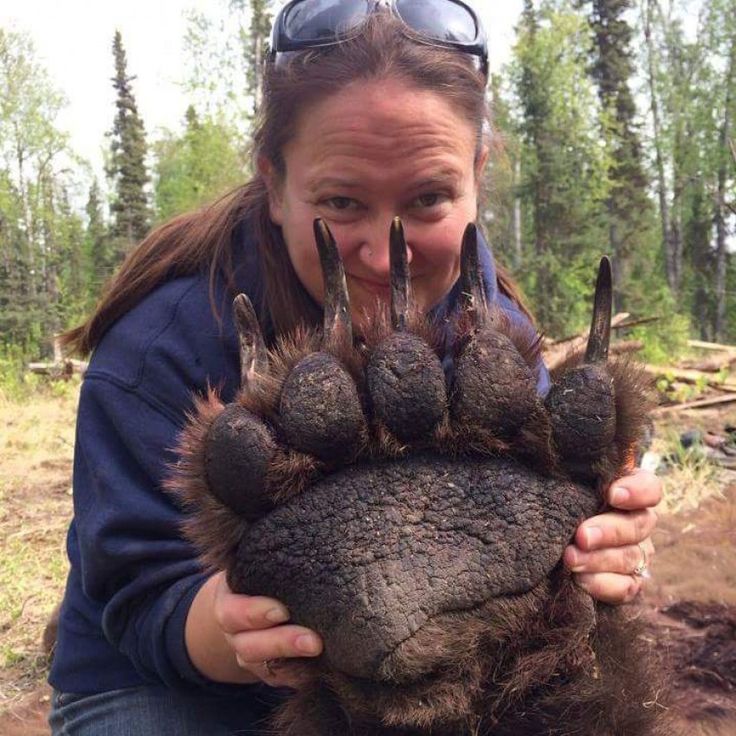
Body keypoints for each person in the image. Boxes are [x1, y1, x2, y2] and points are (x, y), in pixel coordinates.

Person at [49, 2, 662, 734]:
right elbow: (138, 597)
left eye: (429, 198)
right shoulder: (161, 348)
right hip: (168, 678)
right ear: (273, 184)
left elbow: (545, 549)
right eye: (341, 202)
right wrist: (237, 621)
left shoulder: (491, 339)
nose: (384, 253)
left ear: (478, 173)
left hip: (398, 667)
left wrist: (599, 551)